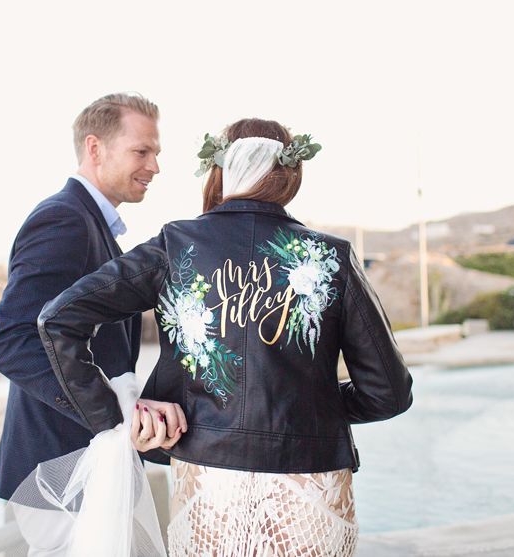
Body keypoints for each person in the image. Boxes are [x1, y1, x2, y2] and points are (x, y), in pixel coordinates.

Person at [37, 118, 413, 556]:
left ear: (218, 171)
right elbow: (389, 393)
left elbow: (59, 319)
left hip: (208, 480)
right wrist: (309, 405)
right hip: (311, 483)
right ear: (290, 175)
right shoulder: (330, 257)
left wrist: (116, 416)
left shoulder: (176, 245)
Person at [0, 92, 185, 501]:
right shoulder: (64, 220)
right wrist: (115, 416)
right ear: (95, 148)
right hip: (56, 472)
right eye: (141, 151)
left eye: (156, 153)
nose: (155, 166)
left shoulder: (91, 224)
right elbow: (12, 341)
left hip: (87, 468)